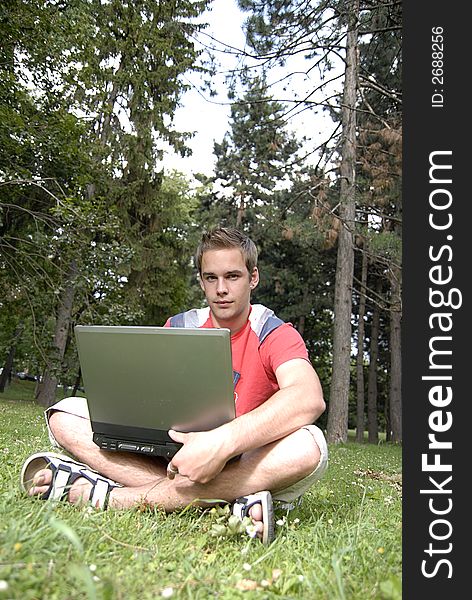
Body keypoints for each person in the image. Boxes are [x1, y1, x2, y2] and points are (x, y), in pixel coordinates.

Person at [20, 227, 328, 544]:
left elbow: (308, 397)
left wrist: (222, 442)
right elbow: (151, 401)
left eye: (232, 276)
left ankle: (113, 496)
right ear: (201, 281)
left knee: (309, 445)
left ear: (253, 278)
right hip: (176, 456)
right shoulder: (182, 326)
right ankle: (229, 503)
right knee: (64, 415)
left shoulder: (271, 331)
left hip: (243, 459)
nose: (221, 289)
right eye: (211, 278)